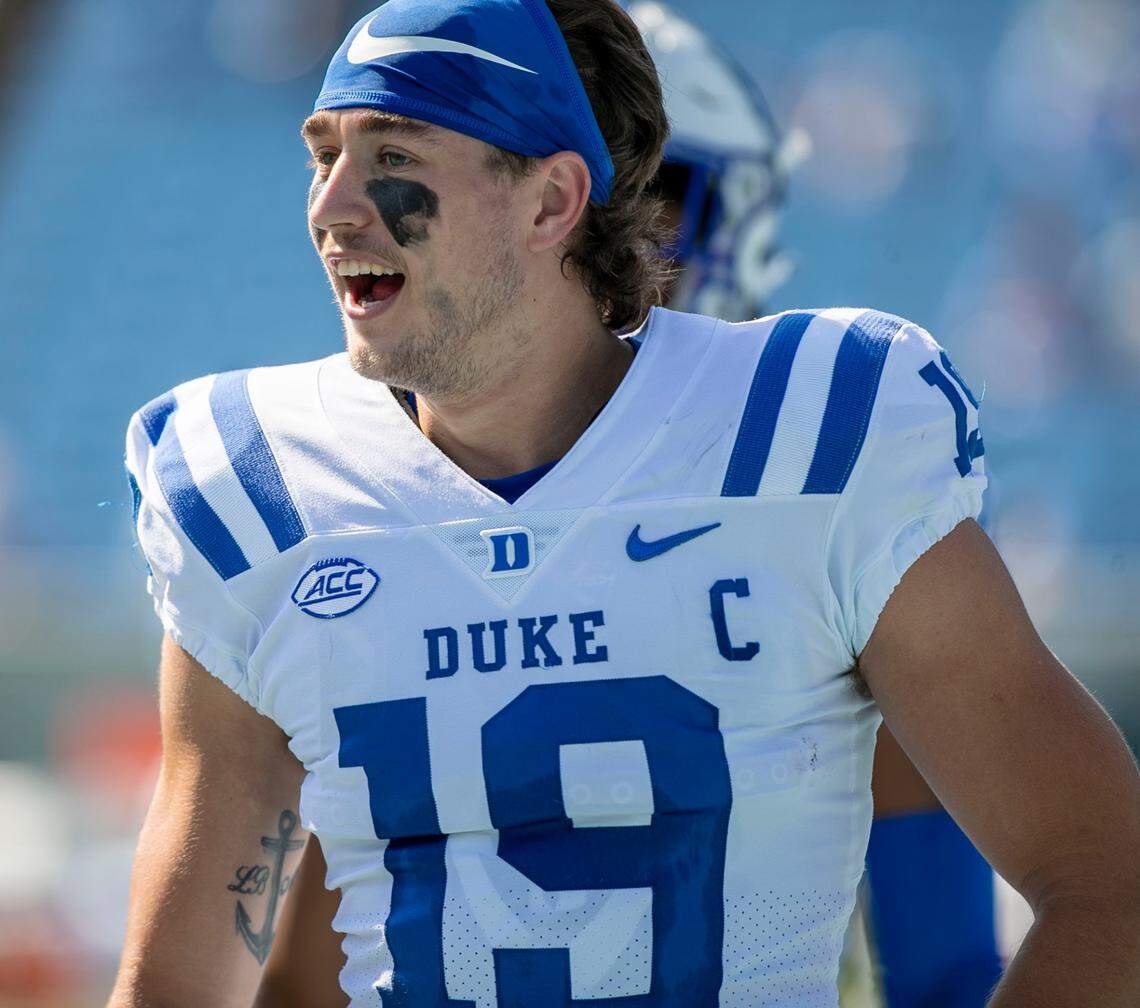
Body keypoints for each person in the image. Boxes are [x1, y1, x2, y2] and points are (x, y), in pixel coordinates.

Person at [110, 1, 1140, 1006]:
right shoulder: (262, 489)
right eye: (321, 156)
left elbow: (1090, 894)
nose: (329, 206)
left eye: (392, 159)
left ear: (557, 199)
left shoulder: (818, 444)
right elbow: (194, 986)